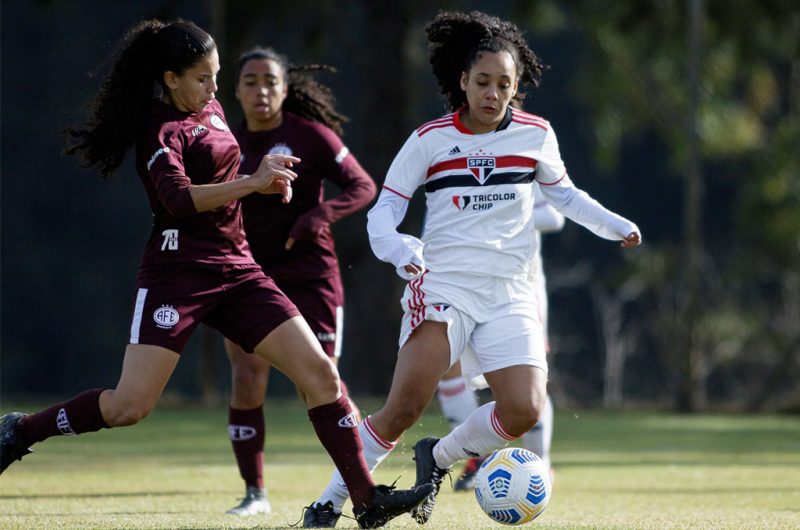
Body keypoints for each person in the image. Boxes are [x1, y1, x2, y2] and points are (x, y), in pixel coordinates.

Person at [0, 19, 431, 529]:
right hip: (176, 274)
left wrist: (266, 187)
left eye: (216, 76)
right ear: (171, 78)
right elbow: (179, 200)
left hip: (239, 269)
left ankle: (366, 500)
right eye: (203, 78)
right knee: (128, 406)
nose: (213, 88)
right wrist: (253, 182)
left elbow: (230, 177)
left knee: (320, 375)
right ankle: (22, 431)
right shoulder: (159, 130)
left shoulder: (211, 108)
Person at [302, 10, 641, 527]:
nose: (492, 92)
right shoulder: (429, 140)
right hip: (443, 287)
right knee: (402, 408)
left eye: (505, 84)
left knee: (524, 410)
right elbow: (383, 214)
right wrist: (400, 250)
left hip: (510, 292)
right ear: (463, 81)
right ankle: (328, 502)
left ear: (516, 87)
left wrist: (615, 224)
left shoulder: (535, 135)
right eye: (482, 81)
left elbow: (566, 196)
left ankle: (436, 458)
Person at [223, 46, 376, 517]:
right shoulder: (224, 142)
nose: (261, 90)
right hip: (247, 275)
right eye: (250, 81)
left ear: (285, 89)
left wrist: (317, 217)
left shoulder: (310, 136)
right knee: (247, 377)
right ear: (236, 90)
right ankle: (254, 492)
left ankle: (354, 486)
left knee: (323, 379)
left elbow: (363, 186)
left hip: (312, 276)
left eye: (270, 81)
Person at [438, 183, 564, 491]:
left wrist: (496, 214)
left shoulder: (525, 158)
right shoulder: (449, 153)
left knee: (528, 374)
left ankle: (539, 463)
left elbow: (554, 216)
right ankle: (478, 456)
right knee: (446, 366)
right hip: (460, 283)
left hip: (518, 285)